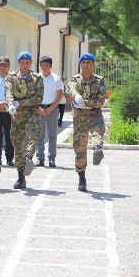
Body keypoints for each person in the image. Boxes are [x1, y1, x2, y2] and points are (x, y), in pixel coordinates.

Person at [67, 53, 106, 192]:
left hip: (95, 115)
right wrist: (76, 95)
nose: (86, 65)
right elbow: (71, 88)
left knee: (98, 133)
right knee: (80, 148)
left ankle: (97, 149)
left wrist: (85, 102)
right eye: (83, 62)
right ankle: (82, 178)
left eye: (89, 62)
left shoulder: (100, 80)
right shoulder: (75, 79)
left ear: (93, 64)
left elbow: (101, 101)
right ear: (80, 64)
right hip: (80, 118)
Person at [5, 51, 43, 190]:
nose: (25, 65)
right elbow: (8, 91)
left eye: (28, 62)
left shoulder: (37, 78)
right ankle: (21, 177)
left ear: (31, 63)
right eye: (23, 62)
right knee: (18, 144)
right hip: (17, 115)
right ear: (19, 63)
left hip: (32, 113)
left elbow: (38, 98)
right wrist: (10, 104)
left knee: (32, 135)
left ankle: (28, 158)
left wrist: (21, 103)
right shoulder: (12, 77)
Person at [35, 56, 64, 168]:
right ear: (40, 66)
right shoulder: (36, 78)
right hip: (39, 108)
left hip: (53, 109)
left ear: (51, 66)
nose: (44, 67)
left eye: (47, 64)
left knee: (52, 135)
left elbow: (59, 95)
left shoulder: (56, 78)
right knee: (39, 135)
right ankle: (40, 158)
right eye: (42, 64)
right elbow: (33, 95)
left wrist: (51, 108)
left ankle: (52, 158)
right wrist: (39, 108)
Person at [0, 57, 14, 166]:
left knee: (9, 136)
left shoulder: (13, 78)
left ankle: (10, 158)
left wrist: (5, 104)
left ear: (9, 66)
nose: (3, 66)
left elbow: (15, 94)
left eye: (5, 64)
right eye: (1, 64)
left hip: (8, 110)